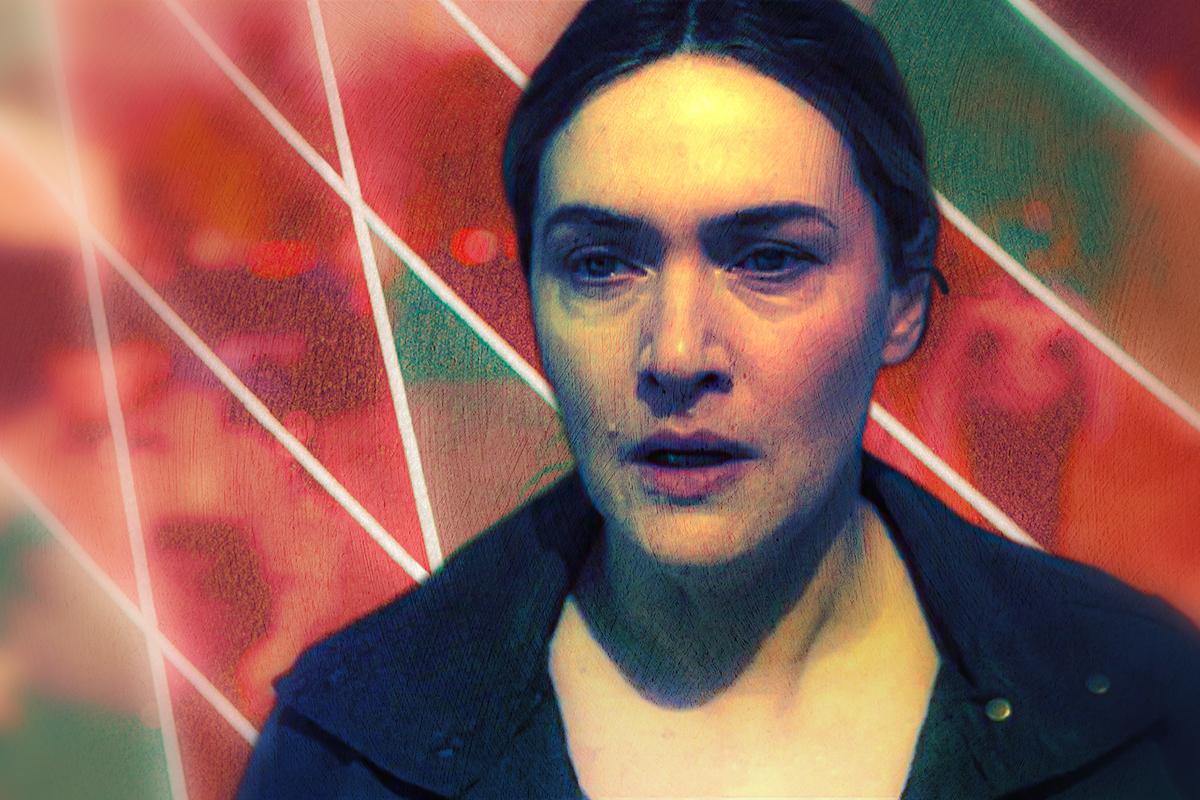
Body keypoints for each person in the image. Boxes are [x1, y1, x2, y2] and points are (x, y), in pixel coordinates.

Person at [237, 0, 1200, 797]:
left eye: (769, 259)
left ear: (905, 298)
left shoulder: (1141, 714)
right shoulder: (348, 754)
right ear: (530, 295)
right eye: (601, 264)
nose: (677, 352)